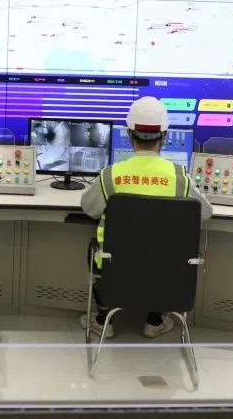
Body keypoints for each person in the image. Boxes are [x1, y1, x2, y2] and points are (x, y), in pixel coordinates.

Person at [79, 97, 213, 339]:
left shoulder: (110, 176)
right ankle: (155, 320)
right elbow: (204, 212)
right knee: (163, 254)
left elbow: (88, 208)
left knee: (96, 252)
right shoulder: (179, 178)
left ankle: (104, 320)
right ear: (165, 136)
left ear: (129, 134)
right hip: (165, 269)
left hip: (115, 268)